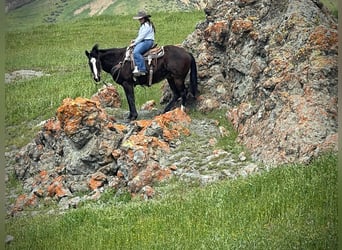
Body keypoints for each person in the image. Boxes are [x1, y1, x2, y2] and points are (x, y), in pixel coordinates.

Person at [130, 10, 155, 76]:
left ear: (145, 18)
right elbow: (140, 36)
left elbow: (142, 36)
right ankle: (136, 67)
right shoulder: (144, 25)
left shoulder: (146, 25)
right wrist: (135, 40)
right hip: (144, 41)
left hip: (147, 41)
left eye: (141, 19)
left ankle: (142, 69)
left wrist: (134, 43)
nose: (140, 20)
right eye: (139, 19)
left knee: (136, 52)